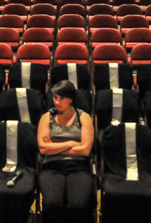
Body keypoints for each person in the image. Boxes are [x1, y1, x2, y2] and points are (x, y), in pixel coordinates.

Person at [37, 80, 95, 223]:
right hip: (52, 166)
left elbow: (85, 150)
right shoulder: (47, 117)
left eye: (61, 98)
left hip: (79, 166)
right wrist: (70, 143)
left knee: (78, 204)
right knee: (52, 203)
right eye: (55, 97)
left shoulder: (84, 117)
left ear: (71, 99)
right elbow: (43, 148)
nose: (57, 102)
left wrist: (55, 146)